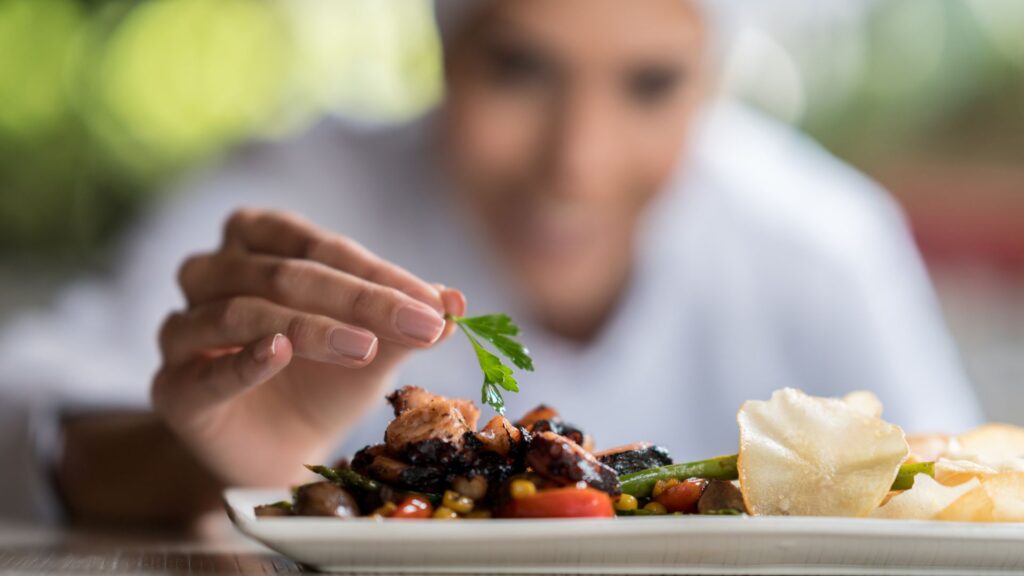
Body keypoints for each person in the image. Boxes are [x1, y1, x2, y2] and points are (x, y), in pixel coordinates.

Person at [0, 0, 983, 526]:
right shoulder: (299, 199)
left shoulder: (820, 240)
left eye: (648, 83)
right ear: (445, 50)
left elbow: (957, 495)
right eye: (519, 68)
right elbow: (27, 426)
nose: (578, 161)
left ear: (714, 79)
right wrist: (206, 459)